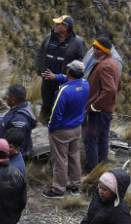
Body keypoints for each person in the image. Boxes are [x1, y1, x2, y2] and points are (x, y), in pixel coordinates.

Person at [41, 59, 89, 198]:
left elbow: (56, 113)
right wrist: (57, 77)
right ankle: (75, 186)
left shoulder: (64, 91)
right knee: (74, 156)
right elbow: (72, 80)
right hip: (77, 128)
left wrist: (51, 128)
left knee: (60, 159)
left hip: (62, 130)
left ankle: (58, 190)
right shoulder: (85, 84)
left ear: (68, 72)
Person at [36, 15, 86, 121]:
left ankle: (57, 126)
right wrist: (40, 70)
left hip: (64, 80)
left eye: (58, 24)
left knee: (60, 104)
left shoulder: (78, 42)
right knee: (46, 103)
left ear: (65, 27)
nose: (55, 25)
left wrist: (72, 78)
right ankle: (42, 122)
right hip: (47, 77)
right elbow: (40, 54)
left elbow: (80, 62)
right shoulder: (48, 37)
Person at [85, 36, 122, 173]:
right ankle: (101, 169)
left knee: (91, 140)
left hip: (99, 112)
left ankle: (91, 171)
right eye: (94, 47)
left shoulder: (104, 66)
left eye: (97, 49)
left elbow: (111, 89)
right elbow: (118, 85)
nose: (94, 51)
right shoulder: (112, 63)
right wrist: (109, 101)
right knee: (102, 140)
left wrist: (95, 105)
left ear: (105, 51)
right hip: (106, 110)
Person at [0, 84, 36, 159]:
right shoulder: (19, 107)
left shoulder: (19, 121)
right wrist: (0, 118)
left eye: (8, 95)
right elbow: (9, 122)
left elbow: (16, 147)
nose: (6, 97)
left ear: (13, 100)